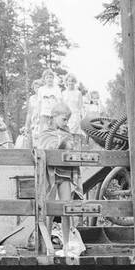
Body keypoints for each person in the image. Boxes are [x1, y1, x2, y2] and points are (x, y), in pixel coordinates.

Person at [35, 99, 85, 257]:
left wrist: (68, 145)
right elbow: (46, 148)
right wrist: (61, 143)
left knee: (66, 208)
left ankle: (66, 244)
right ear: (54, 116)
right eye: (64, 119)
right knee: (49, 209)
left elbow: (71, 150)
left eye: (67, 120)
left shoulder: (68, 133)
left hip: (64, 173)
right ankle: (47, 243)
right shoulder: (45, 132)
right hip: (50, 174)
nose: (66, 122)